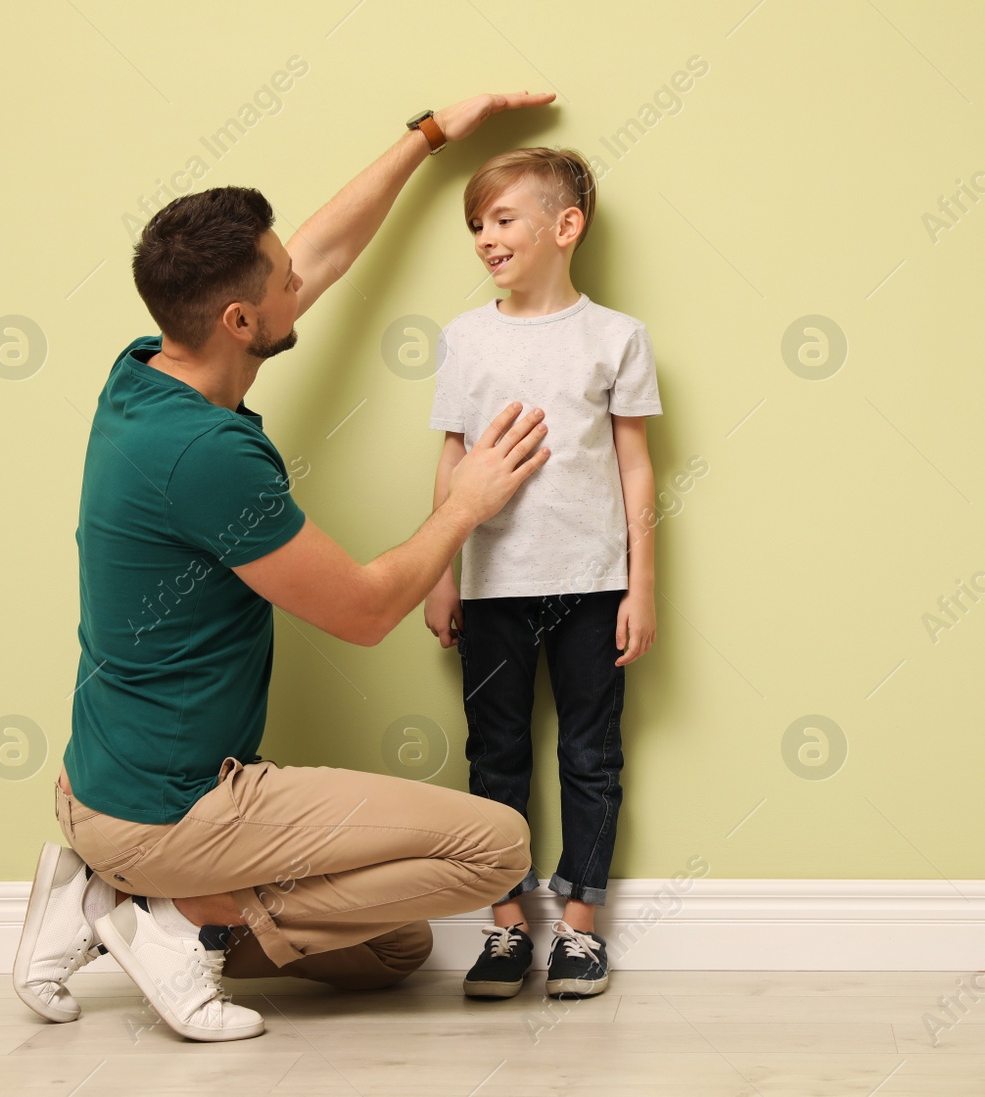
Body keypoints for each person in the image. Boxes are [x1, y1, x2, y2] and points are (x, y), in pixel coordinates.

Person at [11, 92, 562, 1044]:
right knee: (495, 846)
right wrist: (465, 504)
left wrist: (428, 137)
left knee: (393, 951)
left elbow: (326, 249)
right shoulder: (208, 457)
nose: (296, 274)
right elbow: (361, 609)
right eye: (279, 276)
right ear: (238, 317)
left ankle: (110, 894)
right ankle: (173, 917)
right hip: (177, 801)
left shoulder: (145, 367)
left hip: (106, 787)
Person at [421, 147, 662, 1001]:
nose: (486, 237)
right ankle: (505, 926)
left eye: (503, 219)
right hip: (491, 587)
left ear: (566, 226)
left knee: (591, 754)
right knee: (497, 756)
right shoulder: (464, 337)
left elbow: (635, 466)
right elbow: (452, 457)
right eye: (477, 225)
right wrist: (439, 572)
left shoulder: (616, 337)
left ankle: (581, 931)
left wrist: (642, 584)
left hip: (592, 583)